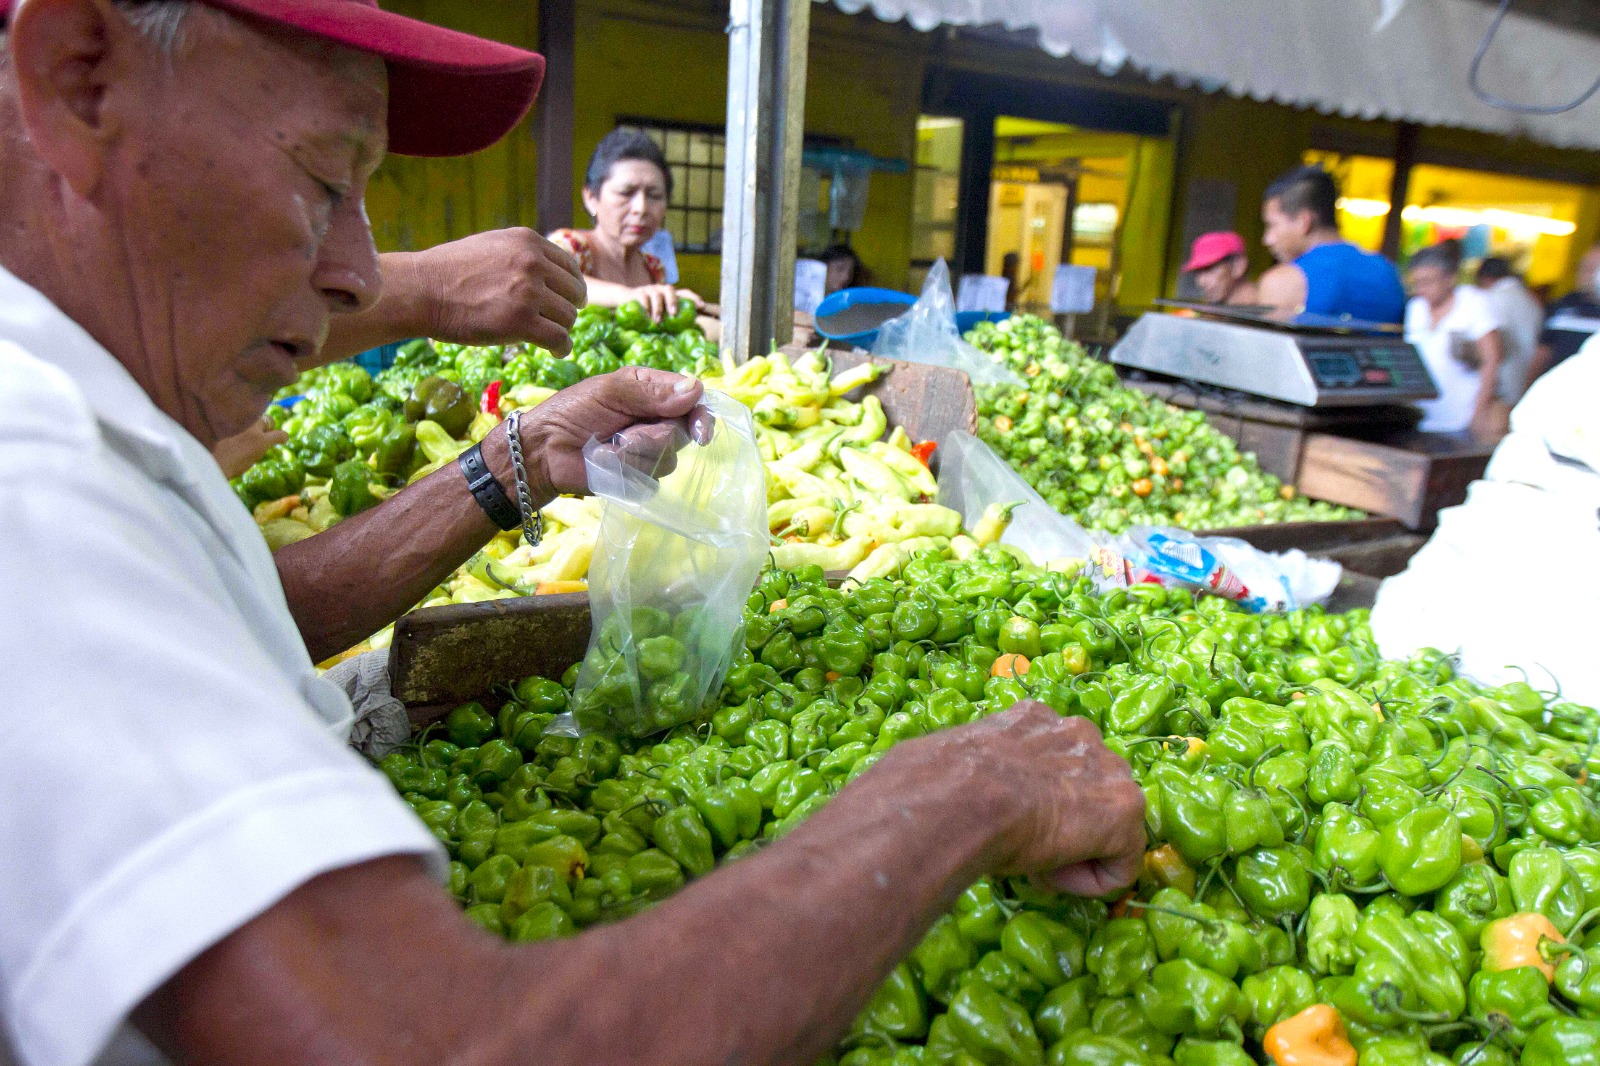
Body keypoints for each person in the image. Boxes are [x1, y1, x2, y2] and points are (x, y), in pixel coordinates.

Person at [0, 5, 1147, 1066]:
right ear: (78, 77)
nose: (357, 273)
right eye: (320, 179)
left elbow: (239, 619)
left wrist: (518, 464)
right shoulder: (32, 480)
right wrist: (954, 794)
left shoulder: (89, 422)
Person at [548, 127, 706, 323]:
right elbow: (551, 282)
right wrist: (630, 296)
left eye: (655, 196)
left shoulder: (654, 269)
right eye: (625, 193)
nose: (641, 208)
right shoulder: (570, 246)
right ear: (591, 198)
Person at [1257, 165, 1408, 325]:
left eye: (1272, 225)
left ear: (1303, 221)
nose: (1268, 239)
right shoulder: (1389, 273)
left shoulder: (1285, 281)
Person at [1403, 243, 1506, 437]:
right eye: (1417, 283)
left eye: (1428, 282)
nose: (1421, 289)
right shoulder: (1415, 307)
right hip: (1421, 416)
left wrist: (1480, 411)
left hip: (1462, 418)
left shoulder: (1474, 301)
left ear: (1449, 278)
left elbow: (1492, 358)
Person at [1475, 256, 1543, 411]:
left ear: (1484, 278)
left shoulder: (1494, 297)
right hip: (1527, 377)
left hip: (1503, 382)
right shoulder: (1530, 297)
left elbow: (1495, 346)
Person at [1528, 242, 1600, 384]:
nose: (1584, 274)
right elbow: (1543, 352)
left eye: (1592, 269)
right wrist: (1529, 387)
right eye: (1583, 267)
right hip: (1558, 390)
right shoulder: (1563, 305)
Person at [1182, 231, 1258, 306]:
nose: (1201, 281)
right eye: (1198, 271)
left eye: (1209, 268)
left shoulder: (1265, 309)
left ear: (1238, 266)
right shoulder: (1213, 311)